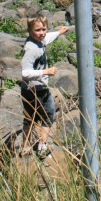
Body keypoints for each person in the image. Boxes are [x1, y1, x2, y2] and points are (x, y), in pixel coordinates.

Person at [20, 15, 68, 158]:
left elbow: (46, 39)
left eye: (44, 29)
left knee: (30, 117)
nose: (41, 33)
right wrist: (45, 72)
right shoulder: (32, 49)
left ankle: (24, 147)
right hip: (37, 88)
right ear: (29, 30)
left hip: (27, 88)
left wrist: (59, 32)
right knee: (49, 115)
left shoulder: (37, 41)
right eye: (37, 30)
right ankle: (42, 146)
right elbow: (24, 72)